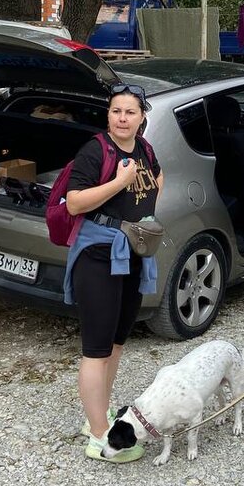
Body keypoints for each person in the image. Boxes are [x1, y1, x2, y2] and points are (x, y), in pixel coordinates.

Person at [64, 83, 163, 463]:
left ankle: (99, 416)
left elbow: (157, 179)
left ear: (142, 118)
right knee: (96, 348)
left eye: (130, 112)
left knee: (118, 341)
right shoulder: (96, 150)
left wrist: (146, 218)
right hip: (98, 256)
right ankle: (99, 438)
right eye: (116, 111)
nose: (122, 118)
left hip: (133, 254)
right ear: (108, 115)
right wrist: (118, 183)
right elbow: (74, 203)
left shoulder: (145, 149)